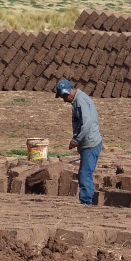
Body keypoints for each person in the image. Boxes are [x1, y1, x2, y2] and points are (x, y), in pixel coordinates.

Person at [55, 78, 102, 206]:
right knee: (85, 173)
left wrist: (76, 140)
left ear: (69, 92)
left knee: (84, 174)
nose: (64, 100)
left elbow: (87, 123)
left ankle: (86, 203)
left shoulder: (80, 101)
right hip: (87, 143)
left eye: (64, 96)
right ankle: (88, 201)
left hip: (91, 143)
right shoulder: (77, 100)